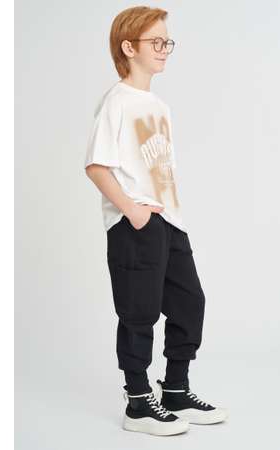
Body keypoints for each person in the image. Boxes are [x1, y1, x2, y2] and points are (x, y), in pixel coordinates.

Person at [84, 6, 228, 436]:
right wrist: (132, 211)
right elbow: (96, 166)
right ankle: (138, 402)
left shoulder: (160, 106)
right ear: (129, 48)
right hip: (135, 224)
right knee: (139, 311)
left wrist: (168, 217)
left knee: (190, 303)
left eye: (168, 42)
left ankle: (176, 391)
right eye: (156, 42)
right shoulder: (117, 101)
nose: (165, 49)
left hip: (170, 221)